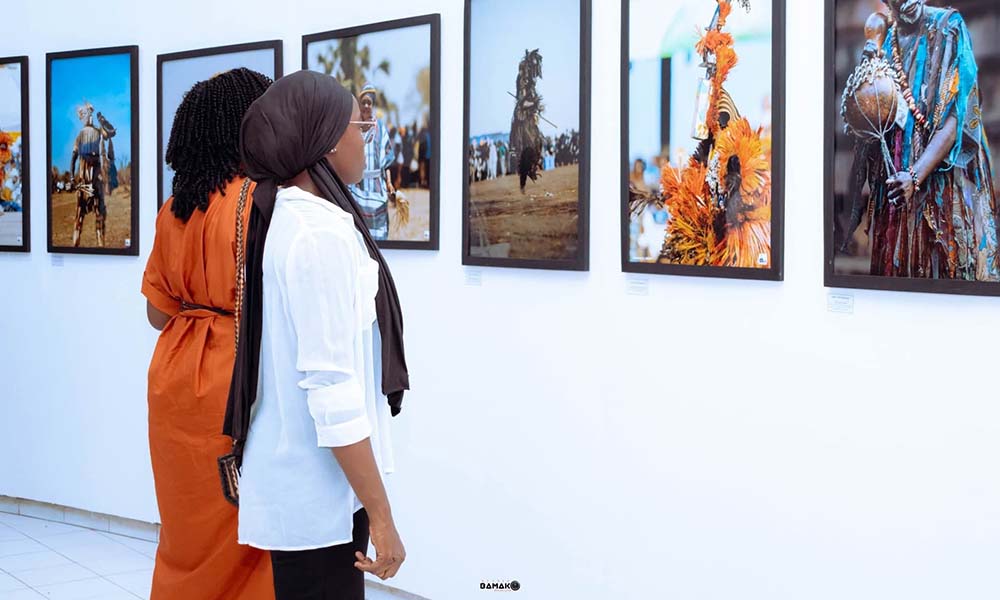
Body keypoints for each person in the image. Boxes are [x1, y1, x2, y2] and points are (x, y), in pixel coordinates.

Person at [228, 70, 410, 600]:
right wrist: (382, 516)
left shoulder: (295, 218)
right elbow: (331, 389)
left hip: (316, 490)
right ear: (328, 139)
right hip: (318, 495)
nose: (365, 137)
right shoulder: (317, 234)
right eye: (360, 125)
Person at [141, 68, 275, 600]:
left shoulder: (173, 208)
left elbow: (156, 314)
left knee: (183, 535)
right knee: (246, 538)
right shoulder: (258, 204)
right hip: (234, 382)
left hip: (171, 385)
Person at [845, 0, 998, 280]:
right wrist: (870, 67)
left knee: (945, 281)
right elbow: (869, 121)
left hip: (941, 193)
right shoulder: (884, 42)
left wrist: (915, 177)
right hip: (896, 200)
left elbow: (958, 117)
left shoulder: (949, 28)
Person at [348, 83, 394, 240]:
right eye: (364, 102)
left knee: (378, 234)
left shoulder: (380, 127)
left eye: (369, 102)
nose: (366, 106)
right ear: (360, 104)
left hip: (376, 188)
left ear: (373, 105)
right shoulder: (353, 128)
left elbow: (387, 159)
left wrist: (389, 183)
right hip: (357, 187)